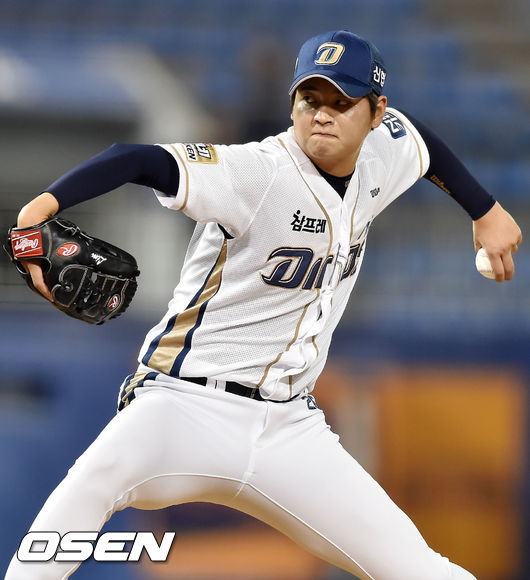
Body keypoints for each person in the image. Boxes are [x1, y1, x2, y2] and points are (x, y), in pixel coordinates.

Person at [5, 30, 522, 580]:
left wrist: (485, 210)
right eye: (310, 99)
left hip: (290, 429)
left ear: (376, 113)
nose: (322, 115)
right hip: (183, 405)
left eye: (342, 102)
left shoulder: (382, 156)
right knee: (79, 502)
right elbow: (135, 158)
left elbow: (419, 141)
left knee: (419, 569)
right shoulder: (258, 171)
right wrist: (42, 207)